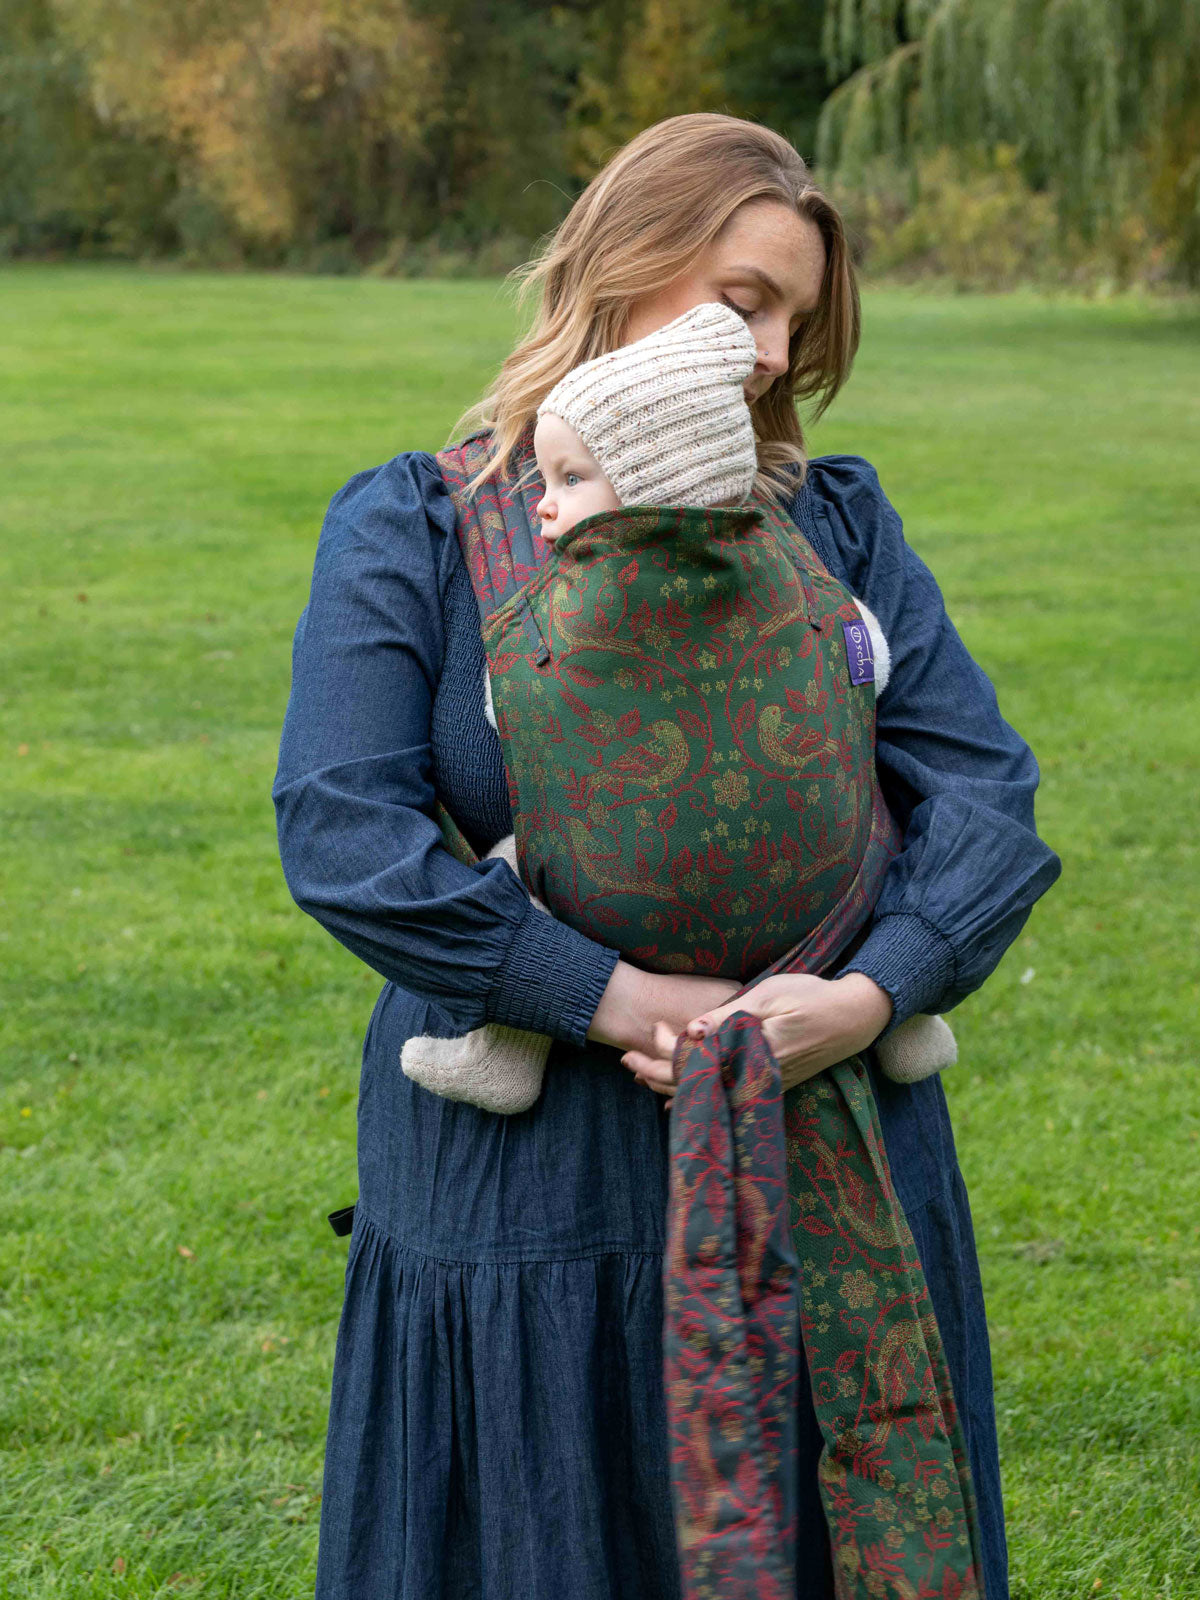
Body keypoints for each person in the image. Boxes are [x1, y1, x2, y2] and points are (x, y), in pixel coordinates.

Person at [272, 112, 1061, 1600]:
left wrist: (876, 997)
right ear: (620, 270)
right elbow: (343, 830)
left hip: (820, 1132)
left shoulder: (836, 524)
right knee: (542, 1532)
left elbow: (985, 800)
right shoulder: (421, 528)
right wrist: (608, 994)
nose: (770, 355)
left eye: (796, 323)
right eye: (744, 299)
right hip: (532, 1177)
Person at [400, 299, 955, 1115]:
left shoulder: (562, 609)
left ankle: (505, 1056)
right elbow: (863, 652)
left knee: (514, 866)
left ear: (653, 479)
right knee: (878, 829)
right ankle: (907, 1020)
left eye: (569, 479)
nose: (543, 505)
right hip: (812, 888)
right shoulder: (791, 571)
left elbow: (509, 703)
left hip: (613, 896)